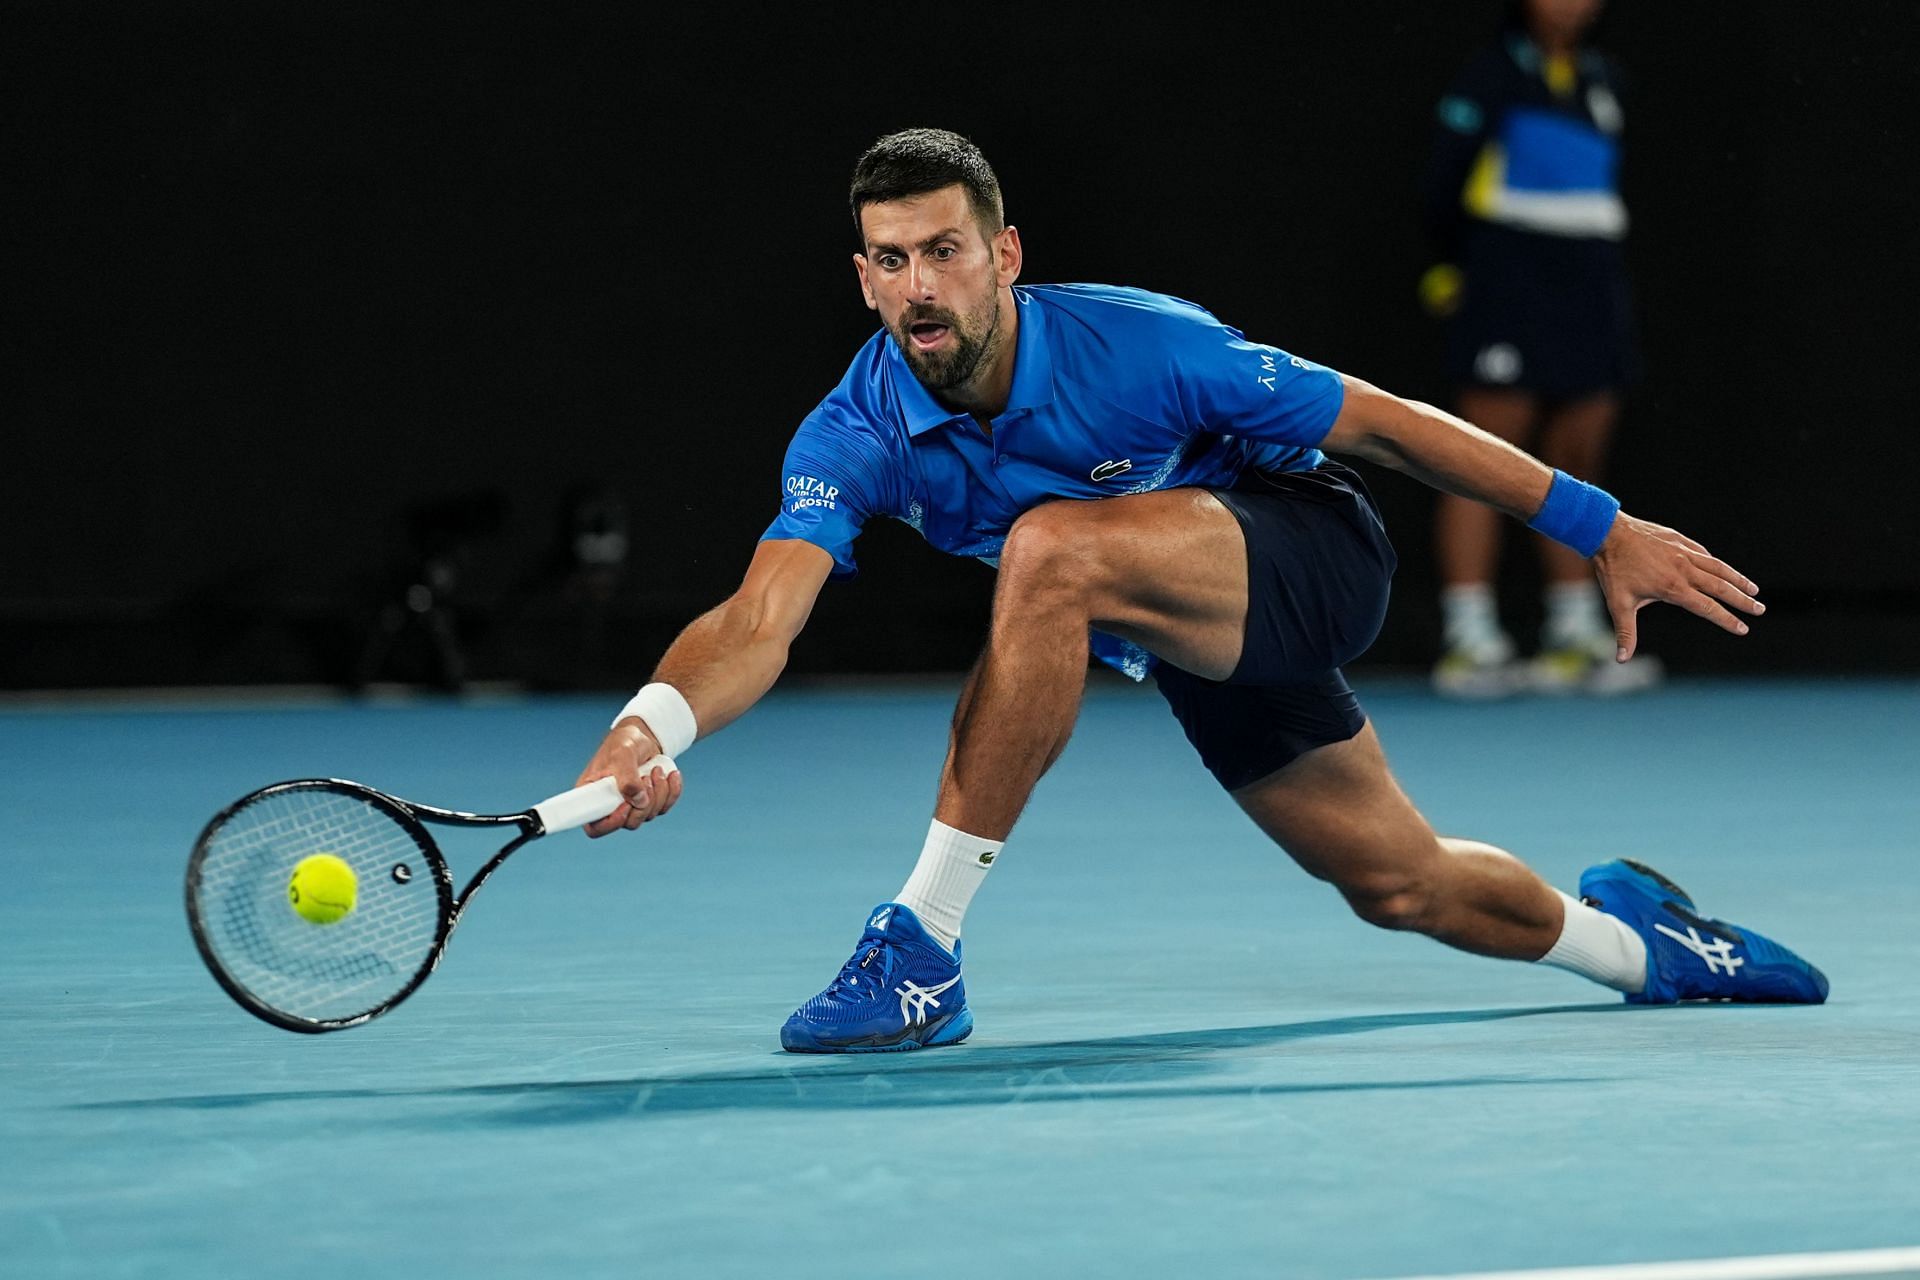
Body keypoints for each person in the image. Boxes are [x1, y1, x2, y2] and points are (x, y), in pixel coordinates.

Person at [575, 128, 1825, 1054]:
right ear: (863, 278)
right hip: (1187, 629)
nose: (921, 287)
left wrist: (1596, 522)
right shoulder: (853, 430)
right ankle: (1643, 942)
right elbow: (756, 619)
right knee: (1399, 882)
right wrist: (650, 726)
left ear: (1002, 254)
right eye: (893, 260)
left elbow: (1383, 426)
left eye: (945, 252)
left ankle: (922, 943)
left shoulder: (1143, 345)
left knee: (1052, 547)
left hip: (1310, 553)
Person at [1420, 0, 1654, 697]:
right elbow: (1440, 184)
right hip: (1507, 283)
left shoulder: (1604, 78)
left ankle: (1574, 630)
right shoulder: (1489, 77)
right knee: (1481, 459)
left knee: (1578, 456)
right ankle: (1469, 636)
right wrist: (1451, 267)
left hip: (1589, 286)